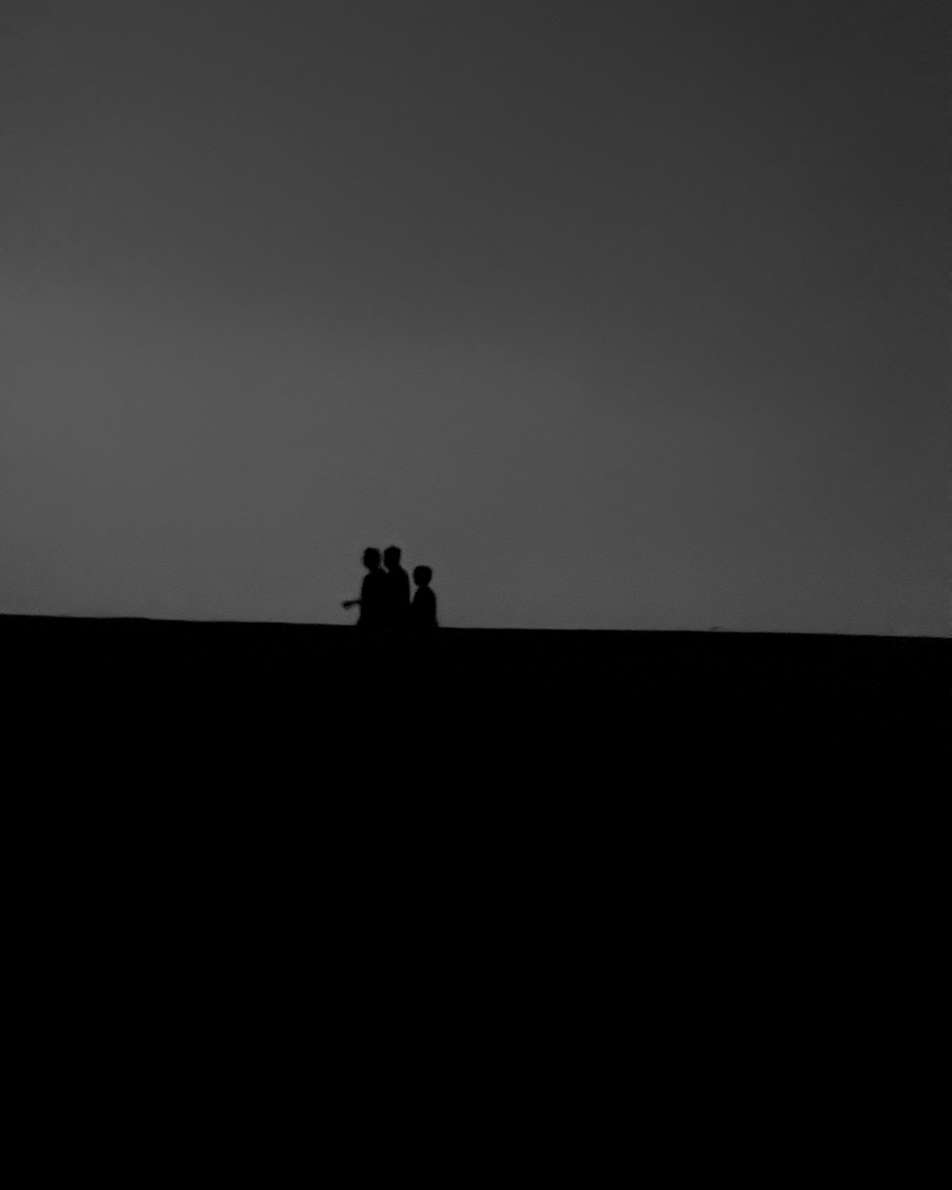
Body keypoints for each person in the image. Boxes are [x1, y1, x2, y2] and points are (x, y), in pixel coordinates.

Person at [341, 548, 388, 629]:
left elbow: (375, 597)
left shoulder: (374, 577)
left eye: (366, 557)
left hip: (372, 618)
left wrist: (354, 602)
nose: (363, 560)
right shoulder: (380, 575)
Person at [382, 545, 411, 632]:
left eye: (386, 558)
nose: (384, 561)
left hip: (395, 618)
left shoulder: (395, 575)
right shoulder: (400, 574)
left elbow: (390, 598)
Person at [410, 565, 438, 630]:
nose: (414, 577)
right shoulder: (427, 592)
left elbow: (417, 612)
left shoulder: (422, 592)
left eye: (416, 575)